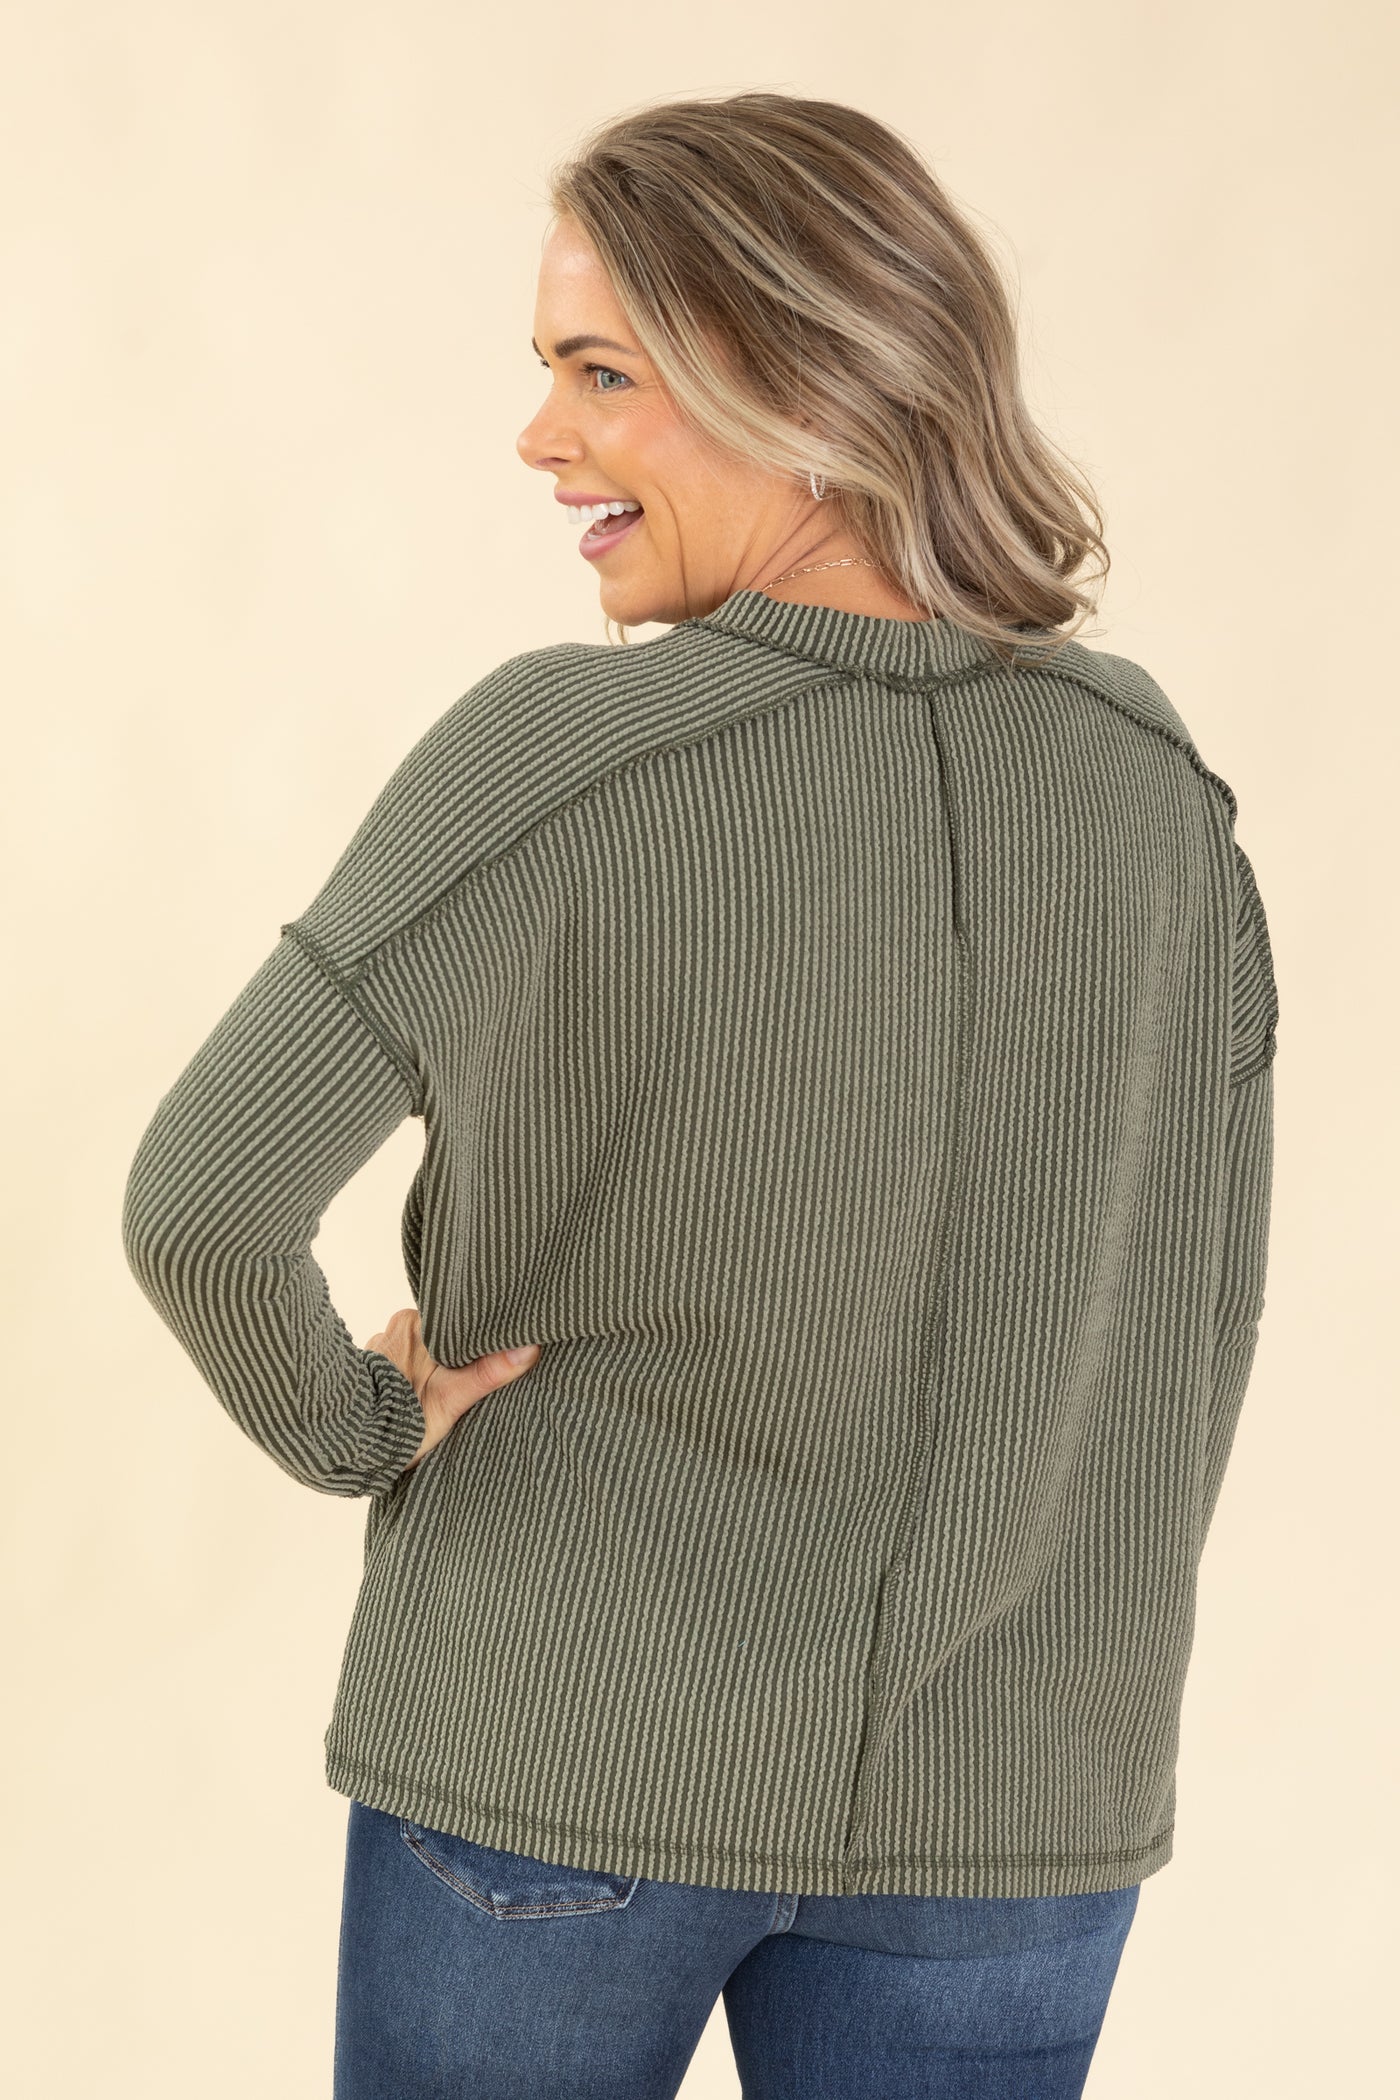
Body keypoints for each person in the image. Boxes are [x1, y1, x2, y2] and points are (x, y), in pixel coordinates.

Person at [121, 91, 1278, 2099]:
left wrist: (361, 1422)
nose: (538, 435)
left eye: (600, 374)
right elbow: (1199, 1306)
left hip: (556, 1759)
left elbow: (199, 1201)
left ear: (797, 376)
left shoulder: (560, 753)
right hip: (1019, 1800)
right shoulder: (1147, 783)